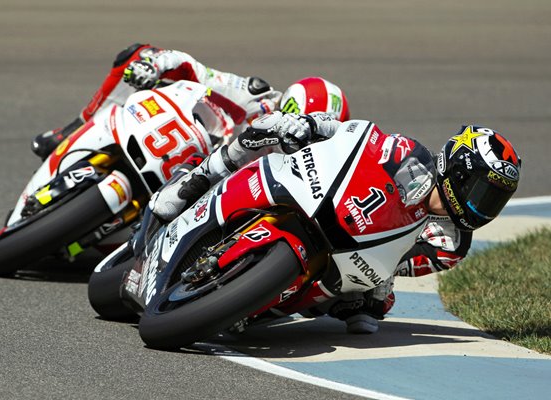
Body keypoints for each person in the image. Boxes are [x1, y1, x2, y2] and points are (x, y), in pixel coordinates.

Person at [147, 111, 521, 334]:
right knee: (272, 126)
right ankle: (198, 179)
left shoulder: (454, 244)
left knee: (368, 313)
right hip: (330, 202)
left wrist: (376, 286)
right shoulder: (410, 155)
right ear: (456, 170)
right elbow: (358, 136)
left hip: (359, 255)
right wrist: (310, 125)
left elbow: (402, 265)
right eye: (480, 192)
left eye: (494, 200)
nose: (482, 206)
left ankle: (254, 305)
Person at [31, 43, 349, 159]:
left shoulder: (308, 174)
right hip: (171, 143)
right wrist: (154, 64)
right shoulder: (257, 99)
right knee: (136, 55)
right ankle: (72, 132)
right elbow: (191, 68)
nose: (294, 133)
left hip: (200, 208)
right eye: (294, 118)